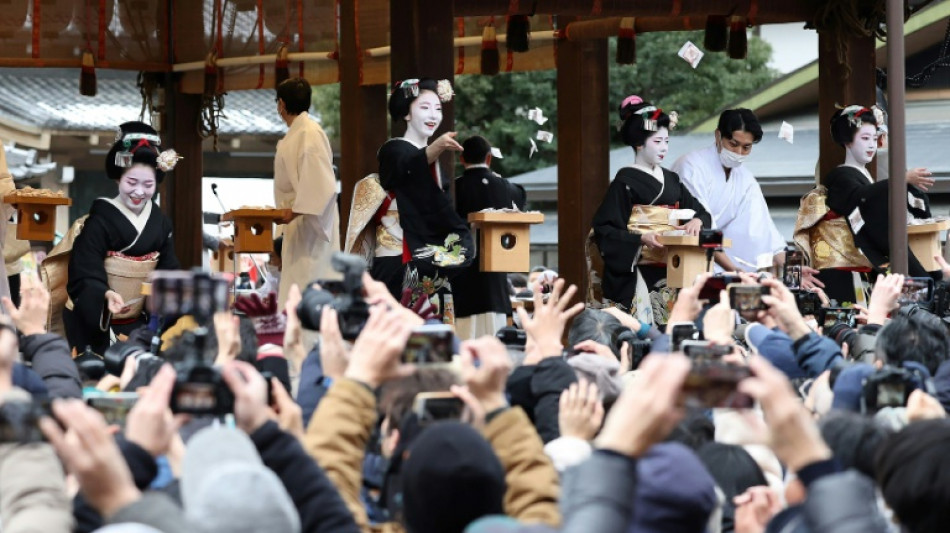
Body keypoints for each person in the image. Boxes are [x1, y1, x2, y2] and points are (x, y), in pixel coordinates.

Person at [346, 78, 473, 323]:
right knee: (397, 328)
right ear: (406, 113)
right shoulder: (393, 150)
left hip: (428, 258)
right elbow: (406, 168)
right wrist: (435, 148)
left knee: (431, 331)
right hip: (398, 256)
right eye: (424, 107)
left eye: (438, 108)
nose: (433, 115)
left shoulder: (428, 158)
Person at [61, 121, 181, 355]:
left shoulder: (161, 224)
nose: (139, 192)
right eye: (131, 182)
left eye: (148, 184)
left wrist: (166, 292)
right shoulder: (100, 221)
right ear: (118, 179)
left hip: (140, 322)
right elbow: (85, 271)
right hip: (99, 321)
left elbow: (168, 270)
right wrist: (104, 294)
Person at [591, 95, 711, 325]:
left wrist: (698, 221)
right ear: (639, 143)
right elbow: (604, 229)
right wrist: (640, 238)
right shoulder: (624, 182)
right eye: (657, 141)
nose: (664, 148)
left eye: (667, 141)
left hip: (672, 269)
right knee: (640, 331)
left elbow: (701, 212)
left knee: (673, 329)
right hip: (638, 270)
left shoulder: (672, 180)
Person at [801, 105, 935, 303]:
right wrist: (900, 180)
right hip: (841, 267)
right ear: (847, 140)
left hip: (863, 265)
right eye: (865, 138)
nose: (871, 145)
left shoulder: (862, 175)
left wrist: (905, 187)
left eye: (874, 138)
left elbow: (870, 198)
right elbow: (862, 198)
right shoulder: (840, 176)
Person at [672, 109, 786, 272]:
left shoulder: (745, 178)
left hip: (726, 263)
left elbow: (765, 230)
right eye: (733, 144)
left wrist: (793, 269)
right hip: (689, 260)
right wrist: (732, 270)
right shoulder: (691, 166)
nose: (739, 153)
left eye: (746, 147)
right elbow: (700, 225)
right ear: (718, 136)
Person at [274, 77, 341, 309]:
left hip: (310, 221)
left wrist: (293, 211)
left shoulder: (309, 133)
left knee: (309, 286)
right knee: (297, 288)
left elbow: (320, 185)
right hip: (298, 220)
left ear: (281, 104)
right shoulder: (298, 133)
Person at [453, 135, 527, 339]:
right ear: (489, 158)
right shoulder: (507, 187)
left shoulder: (454, 188)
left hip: (463, 275)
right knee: (495, 338)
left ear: (462, 159)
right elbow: (521, 198)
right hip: (496, 279)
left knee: (465, 340)